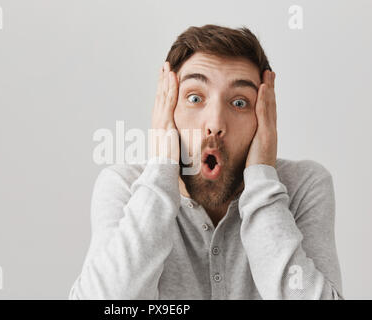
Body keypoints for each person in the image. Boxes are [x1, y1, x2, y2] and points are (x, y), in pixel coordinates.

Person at [69, 24, 343, 299]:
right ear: (167, 106)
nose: (214, 124)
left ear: (263, 117)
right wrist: (162, 165)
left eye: (239, 103)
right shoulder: (125, 186)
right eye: (194, 98)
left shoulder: (304, 186)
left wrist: (261, 180)